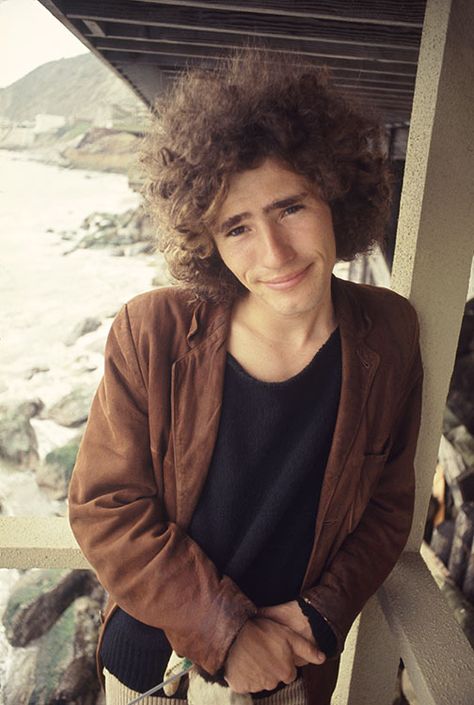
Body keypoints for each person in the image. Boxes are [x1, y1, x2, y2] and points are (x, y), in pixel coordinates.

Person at [68, 49, 423, 705]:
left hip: (286, 666)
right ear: (208, 241)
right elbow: (105, 508)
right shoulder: (153, 330)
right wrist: (226, 632)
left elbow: (388, 508)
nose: (275, 254)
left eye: (290, 207)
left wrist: (320, 613)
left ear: (335, 194)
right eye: (237, 227)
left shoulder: (391, 334)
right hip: (154, 665)